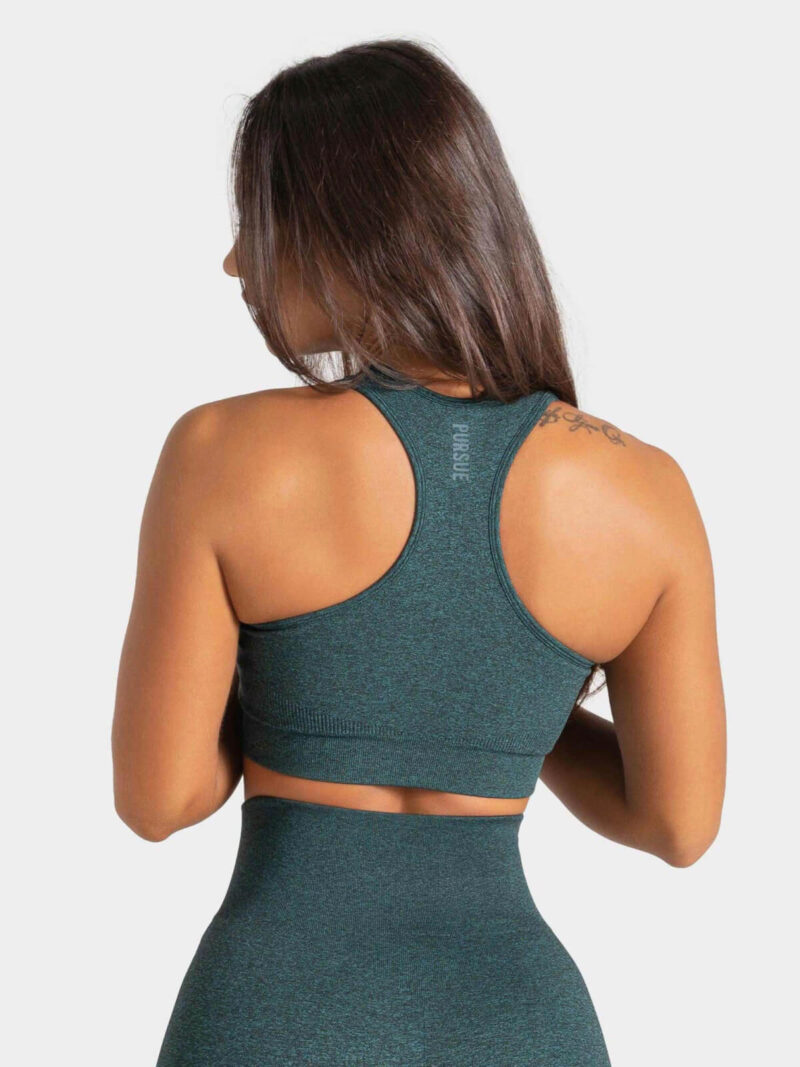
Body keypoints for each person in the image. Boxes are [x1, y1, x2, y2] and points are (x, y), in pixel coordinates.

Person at [112, 39, 726, 1066]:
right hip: (520, 1020)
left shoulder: (221, 451)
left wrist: (314, 695)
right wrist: (492, 708)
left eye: (259, 220)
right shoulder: (644, 491)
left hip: (275, 1012)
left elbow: (159, 798)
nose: (236, 261)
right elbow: (677, 822)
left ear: (349, 223)